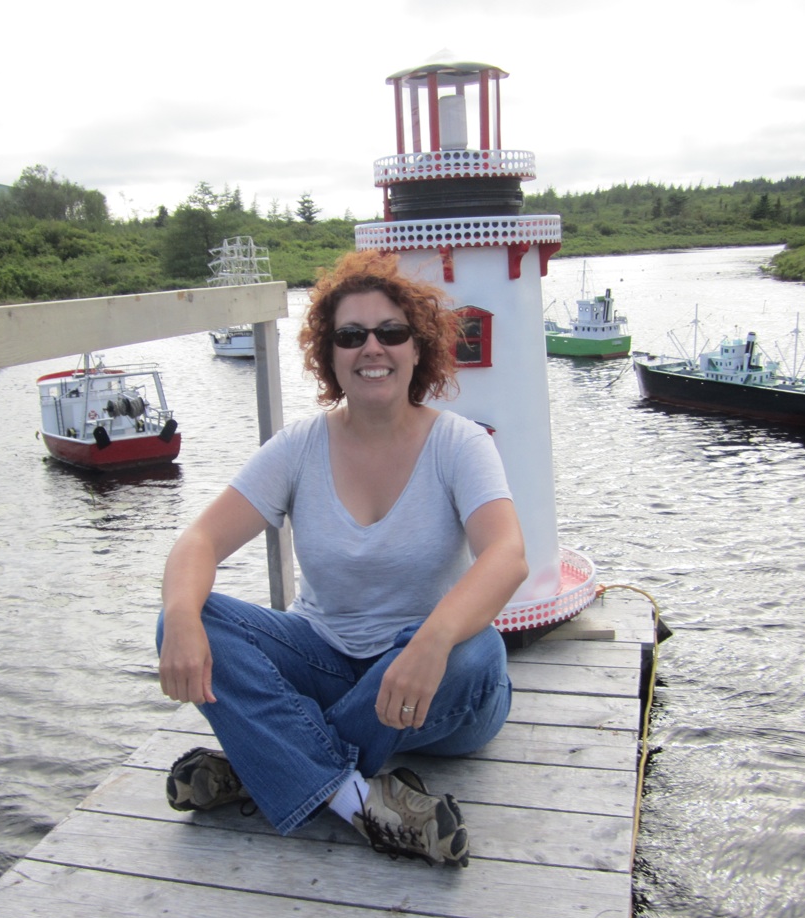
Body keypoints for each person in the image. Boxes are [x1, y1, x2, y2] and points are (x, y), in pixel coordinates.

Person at [155, 249, 527, 867]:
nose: (372, 348)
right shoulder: (300, 446)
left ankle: (264, 765)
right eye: (351, 336)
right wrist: (184, 617)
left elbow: (507, 554)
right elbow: (199, 542)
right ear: (330, 355)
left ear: (418, 348)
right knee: (186, 617)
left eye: (391, 332)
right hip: (326, 661)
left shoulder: (458, 444)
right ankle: (355, 798)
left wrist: (430, 643)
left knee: (479, 647)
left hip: (438, 684)